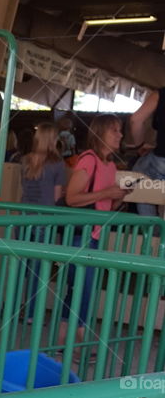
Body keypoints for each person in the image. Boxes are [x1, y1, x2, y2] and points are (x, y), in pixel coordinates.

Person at [60, 115, 130, 340]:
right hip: (82, 235)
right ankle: (73, 339)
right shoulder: (88, 159)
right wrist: (108, 193)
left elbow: (102, 203)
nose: (119, 135)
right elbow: (72, 197)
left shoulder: (109, 165)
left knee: (83, 289)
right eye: (114, 130)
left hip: (95, 234)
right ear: (100, 133)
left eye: (120, 130)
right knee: (81, 288)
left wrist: (118, 198)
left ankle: (67, 339)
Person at [20, 122, 68, 319]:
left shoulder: (24, 160)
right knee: (38, 269)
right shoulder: (58, 164)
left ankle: (14, 309)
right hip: (44, 219)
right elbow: (57, 196)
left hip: (24, 217)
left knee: (21, 266)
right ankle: (31, 312)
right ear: (53, 139)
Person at [128, 88, 165, 217]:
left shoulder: (159, 94)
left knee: (138, 175)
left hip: (162, 160)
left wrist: (140, 145)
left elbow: (136, 120)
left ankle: (150, 229)